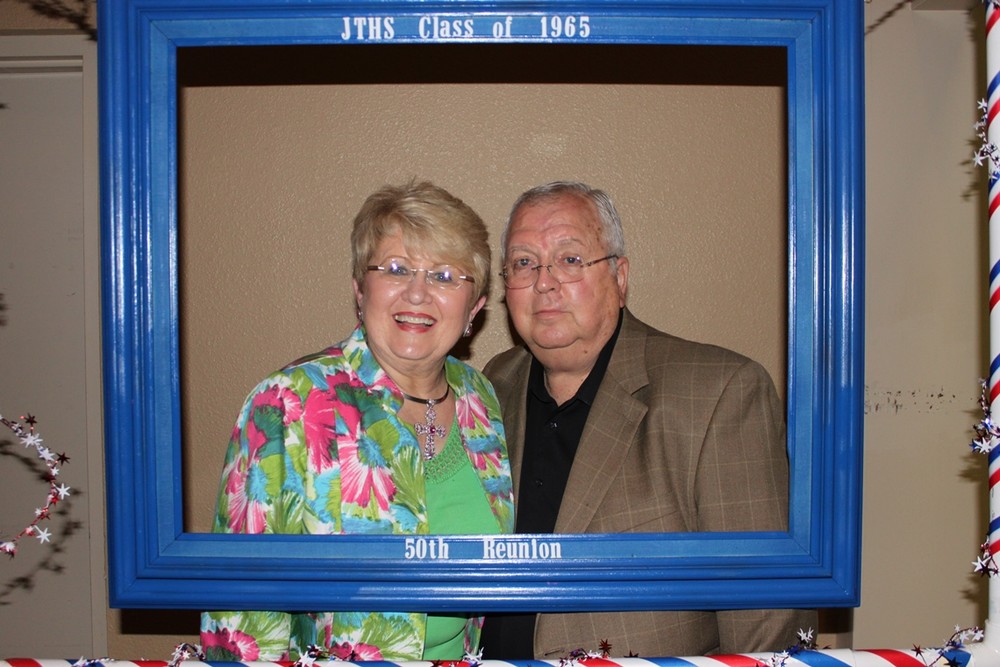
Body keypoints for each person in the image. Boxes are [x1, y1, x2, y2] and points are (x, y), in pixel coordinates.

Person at [479, 181, 816, 659]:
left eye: (570, 259)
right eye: (523, 262)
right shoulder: (492, 385)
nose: (544, 282)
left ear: (619, 278)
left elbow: (766, 620)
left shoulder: (720, 393)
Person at [200, 180, 515, 662]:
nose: (418, 293)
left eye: (445, 275)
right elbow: (240, 614)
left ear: (474, 307)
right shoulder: (287, 404)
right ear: (359, 289)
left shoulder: (482, 399)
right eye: (396, 269)